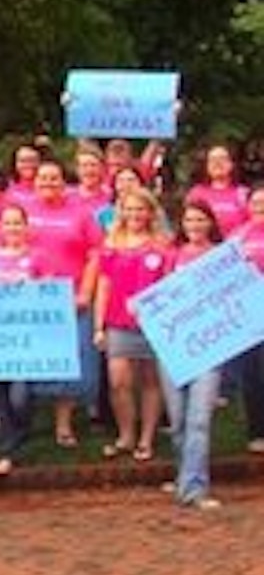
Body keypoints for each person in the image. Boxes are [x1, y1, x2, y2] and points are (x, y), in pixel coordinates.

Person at [26, 161, 102, 449]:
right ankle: (25, 417)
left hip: (72, 298)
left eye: (54, 178)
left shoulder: (81, 213)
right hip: (33, 297)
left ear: (64, 183)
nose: (48, 183)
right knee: (34, 356)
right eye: (42, 178)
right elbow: (6, 246)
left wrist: (85, 292)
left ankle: (63, 423)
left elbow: (96, 253)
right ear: (34, 182)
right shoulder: (25, 212)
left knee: (69, 359)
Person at [92, 187, 171, 463]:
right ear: (121, 211)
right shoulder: (111, 244)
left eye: (141, 209)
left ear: (150, 212)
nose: (135, 214)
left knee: (151, 382)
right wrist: (98, 325)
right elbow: (104, 284)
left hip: (153, 326)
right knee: (118, 382)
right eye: (130, 208)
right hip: (118, 322)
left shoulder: (162, 244)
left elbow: (171, 285)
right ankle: (126, 433)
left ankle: (146, 438)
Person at [160, 201, 226, 508]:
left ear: (210, 223)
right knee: (178, 421)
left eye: (201, 219)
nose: (195, 225)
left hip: (210, 348)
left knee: (199, 420)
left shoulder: (225, 258)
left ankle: (194, 488)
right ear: (182, 225)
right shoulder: (170, 256)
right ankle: (184, 475)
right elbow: (156, 295)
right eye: (189, 220)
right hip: (173, 347)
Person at [0, 204, 38, 476]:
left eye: (18, 223)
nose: (13, 228)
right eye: (8, 223)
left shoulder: (38, 256)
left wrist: (37, 288)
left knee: (21, 396)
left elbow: (50, 288)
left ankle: (21, 432)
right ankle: (6, 451)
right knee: (2, 394)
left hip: (27, 336)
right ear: (0, 228)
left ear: (26, 226)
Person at [230, 185, 264, 452]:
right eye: (256, 203)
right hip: (249, 315)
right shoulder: (237, 236)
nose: (260, 207)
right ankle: (256, 431)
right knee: (252, 374)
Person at [185, 145, 249, 234]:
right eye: (212, 160)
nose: (217, 163)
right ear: (207, 166)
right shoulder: (196, 193)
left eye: (222, 159)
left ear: (231, 164)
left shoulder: (243, 193)